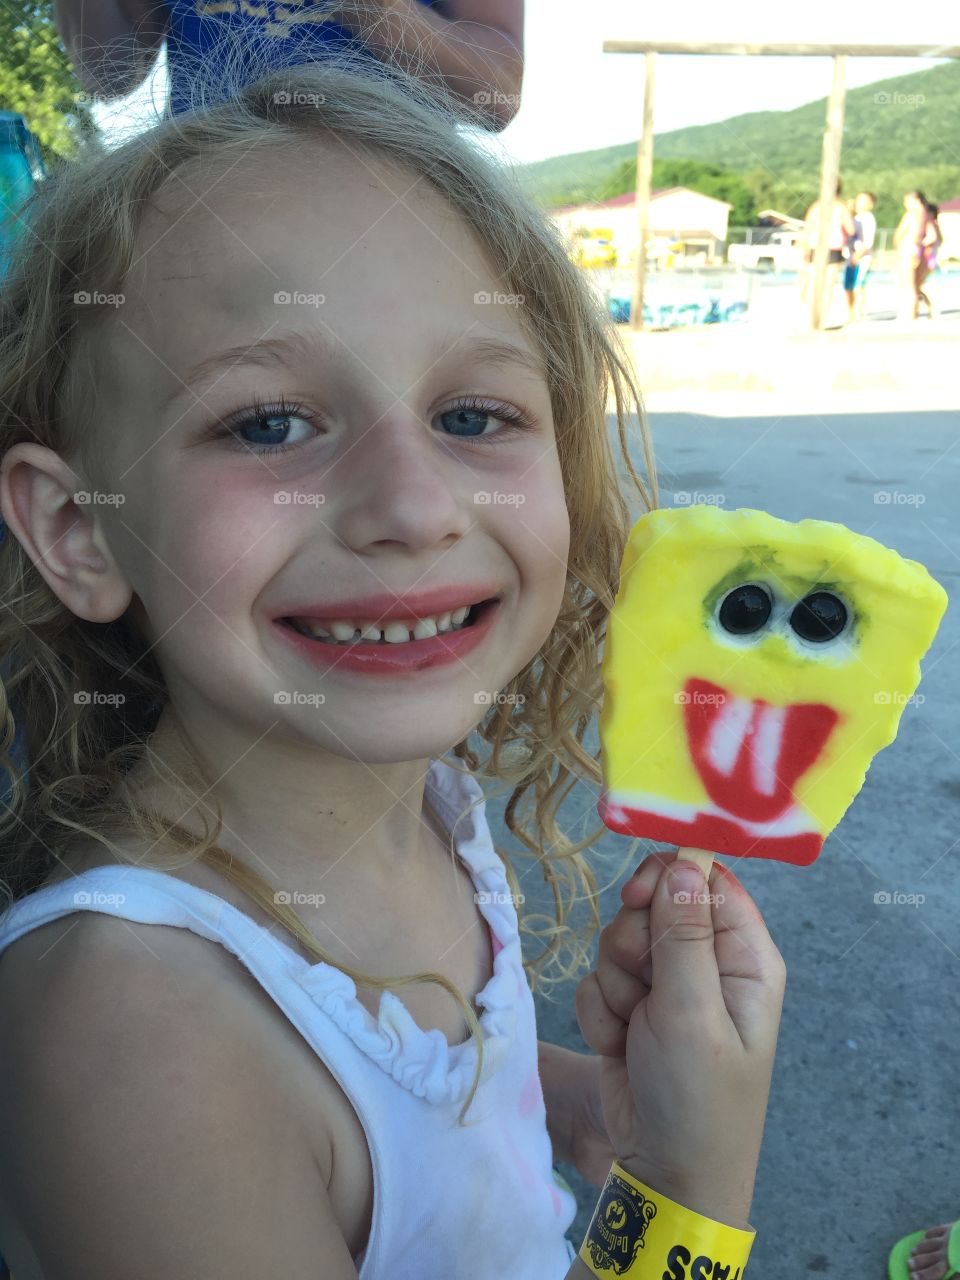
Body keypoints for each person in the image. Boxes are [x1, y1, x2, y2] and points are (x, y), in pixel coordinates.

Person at [0, 59, 787, 1278]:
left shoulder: (416, 802)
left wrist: (588, 1105)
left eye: (473, 414)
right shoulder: (138, 1042)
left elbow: (423, 1101)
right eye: (269, 422)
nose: (414, 506)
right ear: (81, 527)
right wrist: (685, 1190)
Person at [52, 0, 524, 126]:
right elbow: (108, 75)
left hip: (392, 211)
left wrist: (377, 10)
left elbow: (495, 97)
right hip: (206, 203)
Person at [800, 177, 856, 324]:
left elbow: (807, 229)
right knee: (828, 286)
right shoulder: (841, 207)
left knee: (814, 284)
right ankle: (823, 318)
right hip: (833, 248)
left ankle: (811, 317)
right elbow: (851, 229)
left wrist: (805, 249)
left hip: (815, 247)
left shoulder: (816, 207)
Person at [894, 190, 942, 321]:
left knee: (908, 286)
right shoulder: (926, 216)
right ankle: (914, 314)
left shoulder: (912, 215)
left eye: (907, 201)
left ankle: (908, 315)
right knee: (916, 286)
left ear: (916, 201)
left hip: (908, 250)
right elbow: (933, 236)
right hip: (919, 253)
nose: (905, 204)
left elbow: (901, 233)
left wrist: (898, 244)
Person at [843, 190, 877, 323]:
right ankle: (851, 313)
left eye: (862, 200)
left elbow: (868, 242)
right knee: (848, 286)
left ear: (870, 204)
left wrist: (857, 256)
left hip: (862, 257)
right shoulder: (855, 218)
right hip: (850, 256)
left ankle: (858, 314)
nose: (858, 203)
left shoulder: (868, 218)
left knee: (858, 286)